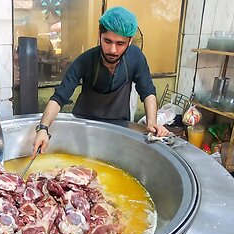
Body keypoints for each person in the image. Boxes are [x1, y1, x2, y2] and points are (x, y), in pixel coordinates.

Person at [32, 7, 169, 156]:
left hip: (119, 128)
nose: (113, 50)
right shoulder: (86, 60)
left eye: (120, 43)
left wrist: (151, 122)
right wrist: (43, 128)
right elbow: (59, 98)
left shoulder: (136, 58)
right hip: (85, 128)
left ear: (129, 42)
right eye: (107, 41)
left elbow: (148, 91)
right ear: (99, 36)